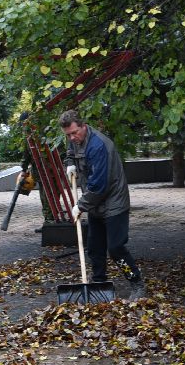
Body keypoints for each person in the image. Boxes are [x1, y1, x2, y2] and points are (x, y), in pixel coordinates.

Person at [60, 110, 142, 284]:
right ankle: (98, 283)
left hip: (114, 203)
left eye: (75, 132)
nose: (72, 137)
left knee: (115, 248)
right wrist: (69, 164)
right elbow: (70, 151)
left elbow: (99, 186)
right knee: (95, 248)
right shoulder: (76, 140)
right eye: (68, 135)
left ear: (84, 126)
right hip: (96, 204)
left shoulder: (98, 146)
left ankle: (136, 282)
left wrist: (80, 205)